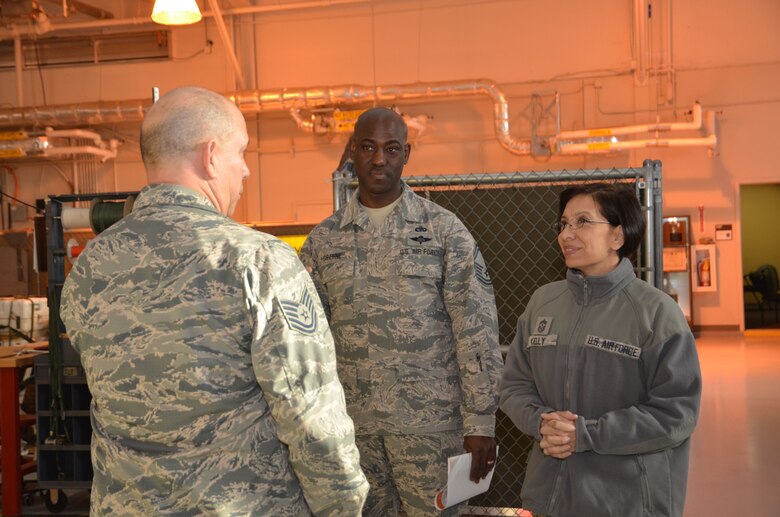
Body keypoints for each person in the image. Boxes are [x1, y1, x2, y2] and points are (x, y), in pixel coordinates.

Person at [60, 86, 368, 516]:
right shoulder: (258, 261)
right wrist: (343, 505)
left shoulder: (90, 265)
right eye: (241, 152)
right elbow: (309, 413)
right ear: (210, 156)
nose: (244, 170)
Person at [299, 107, 503, 516]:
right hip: (353, 432)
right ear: (352, 151)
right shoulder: (323, 241)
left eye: (391, 149)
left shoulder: (444, 231)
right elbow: (308, 341)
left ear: (406, 154)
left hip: (430, 429)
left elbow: (475, 328)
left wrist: (480, 421)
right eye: (368, 147)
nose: (379, 159)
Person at [499, 183, 702, 517]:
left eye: (582, 222)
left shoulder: (657, 313)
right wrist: (543, 423)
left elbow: (676, 413)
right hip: (550, 495)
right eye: (563, 224)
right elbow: (514, 385)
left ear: (617, 236)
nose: (567, 234)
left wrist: (586, 435)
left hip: (626, 501)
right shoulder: (542, 303)